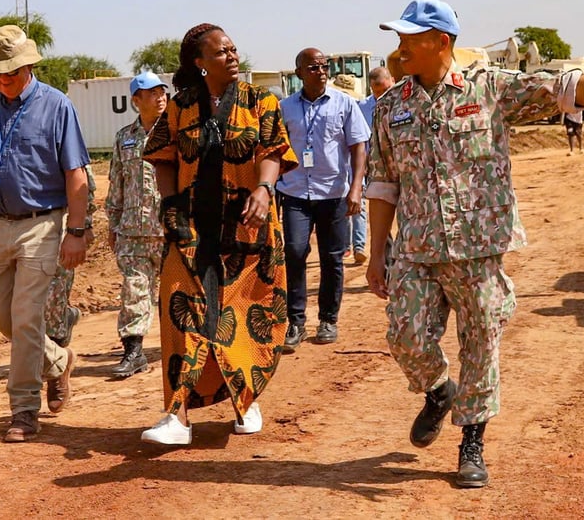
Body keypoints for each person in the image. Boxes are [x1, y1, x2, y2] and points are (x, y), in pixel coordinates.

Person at [366, 0, 584, 487]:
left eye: (408, 38)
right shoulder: (391, 107)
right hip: (417, 248)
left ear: (441, 41)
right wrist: (377, 252)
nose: (399, 49)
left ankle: (471, 442)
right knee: (405, 338)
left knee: (481, 343)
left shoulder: (491, 89)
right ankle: (440, 391)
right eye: (397, 38)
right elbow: (382, 184)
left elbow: (571, 90)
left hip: (478, 248)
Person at [140, 24, 298, 445]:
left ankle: (245, 401)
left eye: (233, 48)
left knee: (242, 316)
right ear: (199, 62)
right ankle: (177, 415)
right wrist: (170, 203)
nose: (231, 55)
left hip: (247, 229)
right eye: (221, 51)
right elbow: (162, 158)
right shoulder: (181, 106)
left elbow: (272, 152)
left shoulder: (259, 101)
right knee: (180, 311)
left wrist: (264, 190)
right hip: (190, 229)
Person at [0, 25, 91, 443]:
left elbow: (76, 174)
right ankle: (57, 360)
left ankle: (23, 408)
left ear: (28, 66)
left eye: (9, 71)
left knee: (27, 315)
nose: (1, 79)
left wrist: (77, 232)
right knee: (4, 317)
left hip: (43, 224)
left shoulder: (57, 106)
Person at [276, 50, 369, 353]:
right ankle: (295, 321)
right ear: (299, 72)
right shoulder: (284, 108)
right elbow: (276, 149)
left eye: (324, 66)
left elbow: (358, 147)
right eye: (313, 67)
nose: (320, 71)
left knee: (332, 258)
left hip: (333, 193)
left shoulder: (344, 103)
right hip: (294, 192)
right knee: (294, 252)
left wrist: (356, 188)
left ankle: (328, 319)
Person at [104, 72, 168, 378]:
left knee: (176, 292)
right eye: (151, 93)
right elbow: (117, 181)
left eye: (161, 91)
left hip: (170, 229)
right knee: (134, 290)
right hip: (133, 229)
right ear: (136, 100)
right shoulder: (124, 137)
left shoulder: (176, 133)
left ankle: (184, 347)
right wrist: (113, 223)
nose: (159, 97)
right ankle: (133, 352)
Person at [44, 165, 98, 348]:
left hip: (63, 221)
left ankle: (56, 339)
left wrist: (85, 225)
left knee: (55, 282)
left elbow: (85, 185)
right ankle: (63, 320)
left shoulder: (64, 141)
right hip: (29, 223)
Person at [346, 67, 394, 265]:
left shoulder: (407, 101)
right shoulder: (363, 107)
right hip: (377, 169)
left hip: (404, 166)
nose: (381, 96)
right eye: (376, 92)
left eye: (384, 90)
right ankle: (388, 262)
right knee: (380, 215)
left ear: (392, 81)